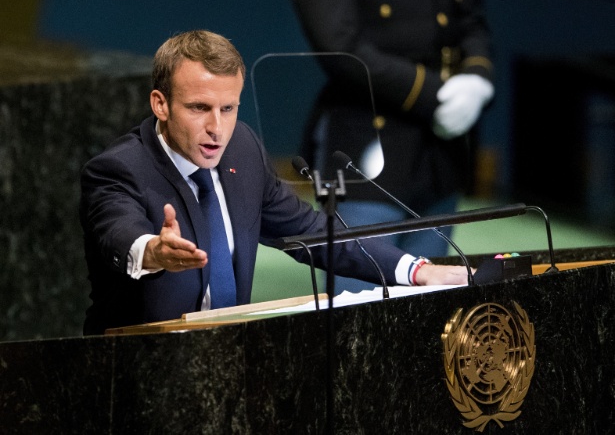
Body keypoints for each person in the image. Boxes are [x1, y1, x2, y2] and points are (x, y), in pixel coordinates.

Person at [79, 30, 470, 335]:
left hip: (229, 356)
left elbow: (312, 231)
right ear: (160, 104)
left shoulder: (242, 148)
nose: (217, 128)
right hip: (136, 367)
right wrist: (152, 251)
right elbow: (118, 230)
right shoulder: (119, 168)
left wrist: (415, 269)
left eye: (228, 108)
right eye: (199, 108)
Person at [288, 0, 494, 292]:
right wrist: (434, 94)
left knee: (429, 306)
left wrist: (477, 77)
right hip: (368, 150)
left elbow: (469, 21)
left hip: (438, 152)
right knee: (360, 304)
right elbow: (340, 47)